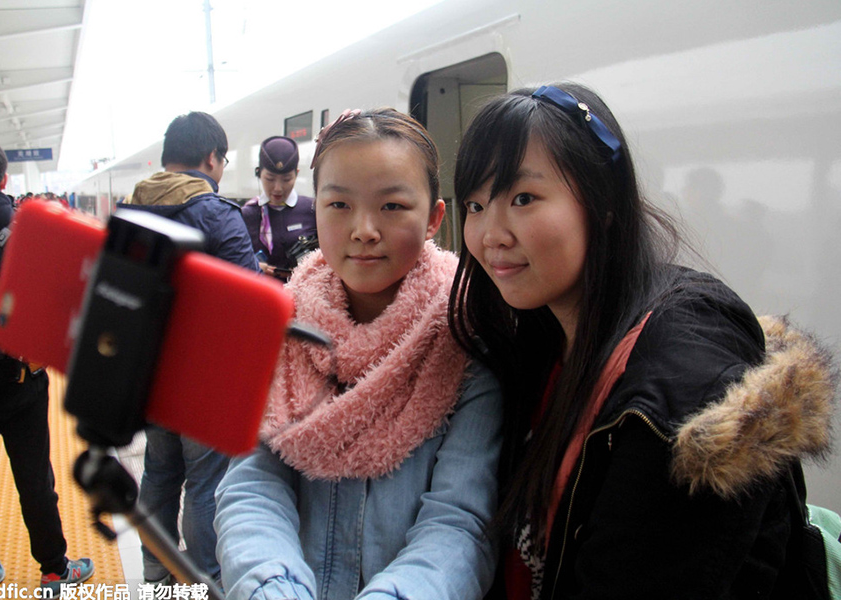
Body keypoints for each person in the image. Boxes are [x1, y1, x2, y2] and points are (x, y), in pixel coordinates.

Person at [447, 83, 837, 599]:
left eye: (523, 198)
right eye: (475, 205)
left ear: (603, 199)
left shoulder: (682, 381)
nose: (490, 233)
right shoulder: (544, 335)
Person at [215, 108, 502, 600]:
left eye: (392, 207)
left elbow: (460, 521)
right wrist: (272, 586)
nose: (364, 229)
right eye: (340, 205)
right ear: (316, 209)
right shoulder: (282, 335)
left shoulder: (466, 342)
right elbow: (251, 486)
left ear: (434, 218)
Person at [0, 137, 94, 596]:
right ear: (4, 179)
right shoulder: (22, 226)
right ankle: (53, 569)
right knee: (33, 476)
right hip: (19, 376)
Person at [123, 111, 260, 587]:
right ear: (211, 158)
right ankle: (205, 578)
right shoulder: (218, 214)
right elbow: (250, 296)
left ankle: (157, 576)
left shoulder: (133, 210)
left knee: (159, 474)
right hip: (202, 376)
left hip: (148, 370)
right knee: (205, 481)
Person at [241, 135, 317, 280]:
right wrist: (252, 265)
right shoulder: (246, 215)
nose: (278, 188)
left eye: (287, 179)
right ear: (258, 173)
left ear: (297, 174)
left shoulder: (312, 210)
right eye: (270, 179)